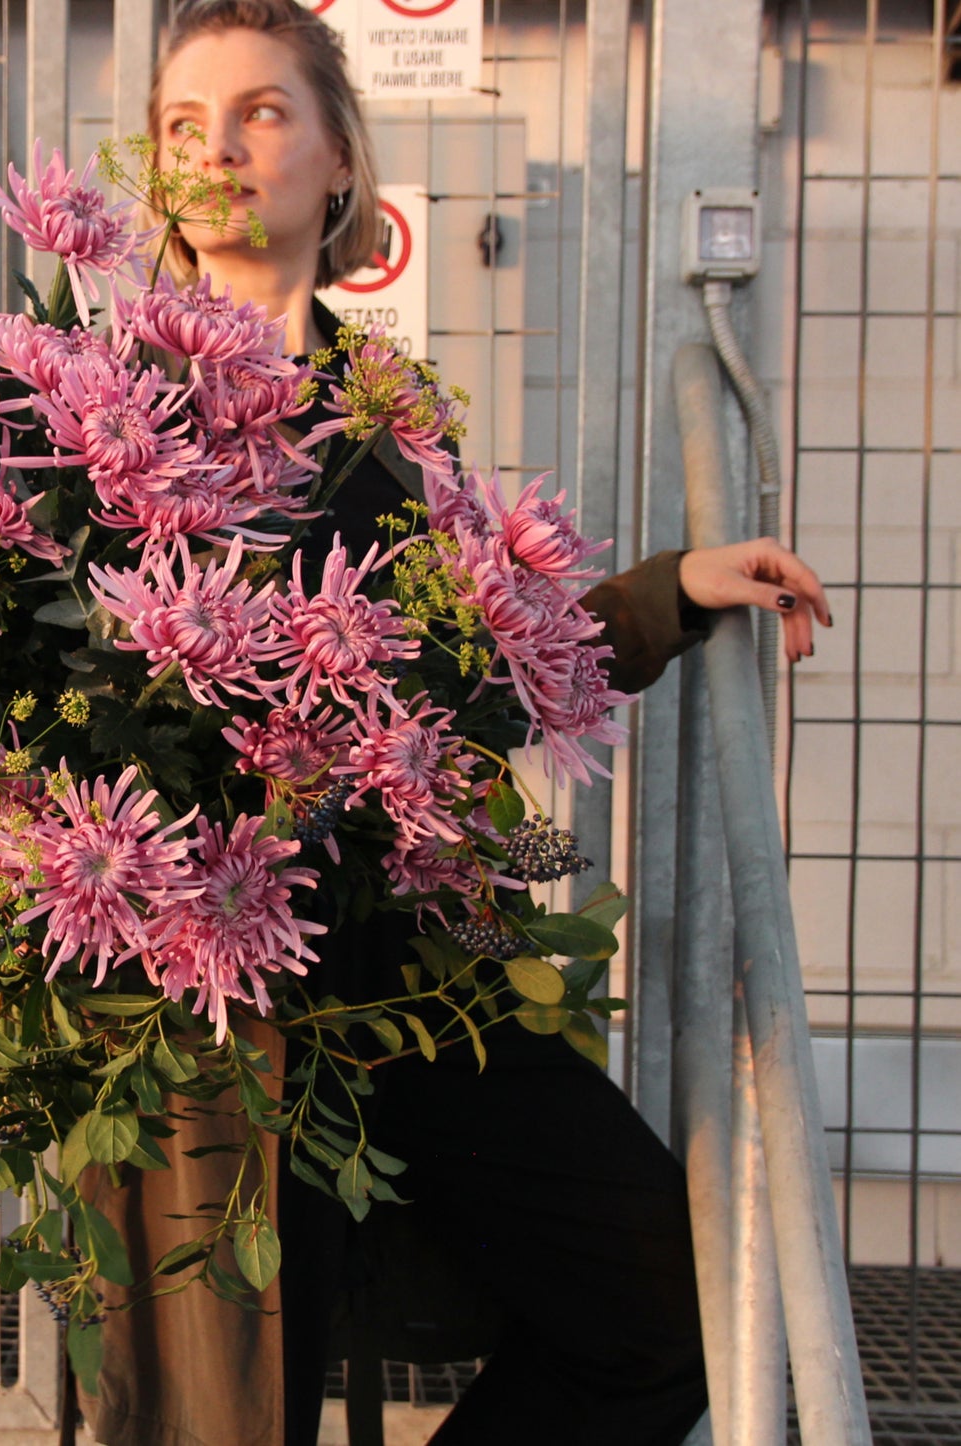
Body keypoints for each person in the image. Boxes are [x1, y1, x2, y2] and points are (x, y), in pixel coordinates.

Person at [79, 4, 833, 1444]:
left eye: (260, 112)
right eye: (183, 123)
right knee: (219, 1416)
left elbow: (472, 664)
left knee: (662, 1312)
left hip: (417, 966)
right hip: (200, 1002)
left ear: (338, 159)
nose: (218, 148)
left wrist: (668, 589)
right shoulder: (91, 407)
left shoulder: (387, 407)